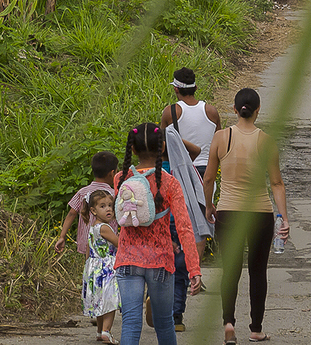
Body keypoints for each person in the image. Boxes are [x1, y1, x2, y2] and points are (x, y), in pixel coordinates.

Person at [202, 89, 289, 344]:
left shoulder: (221, 137)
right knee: (258, 271)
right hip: (260, 213)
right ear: (258, 110)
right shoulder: (266, 141)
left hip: (228, 211)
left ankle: (228, 323)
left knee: (230, 270)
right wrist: (283, 217)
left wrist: (208, 206)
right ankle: (256, 328)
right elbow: (277, 183)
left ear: (234, 108)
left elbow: (208, 178)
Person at [114, 123, 201, 345]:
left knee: (131, 323)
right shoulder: (170, 183)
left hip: (127, 260)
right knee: (164, 324)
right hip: (160, 262)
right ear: (162, 149)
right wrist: (194, 270)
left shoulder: (120, 180)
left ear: (132, 149)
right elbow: (184, 228)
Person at [161, 66, 222, 322]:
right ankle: (196, 274)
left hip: (181, 170)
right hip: (206, 173)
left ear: (176, 89)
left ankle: (183, 273)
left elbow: (163, 141)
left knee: (182, 223)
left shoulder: (170, 112)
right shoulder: (211, 111)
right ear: (195, 87)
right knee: (199, 222)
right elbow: (218, 137)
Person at [59, 151, 124, 263]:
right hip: (108, 242)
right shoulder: (114, 194)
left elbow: (71, 213)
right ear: (112, 173)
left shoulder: (83, 192)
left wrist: (62, 236)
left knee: (90, 267)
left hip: (87, 242)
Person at [83, 188, 123, 343]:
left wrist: (87, 268)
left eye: (110, 206)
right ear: (93, 210)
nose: (108, 209)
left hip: (94, 268)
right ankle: (107, 331)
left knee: (100, 301)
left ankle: (100, 331)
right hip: (106, 268)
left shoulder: (93, 227)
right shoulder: (105, 228)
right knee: (110, 301)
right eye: (102, 206)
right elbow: (119, 244)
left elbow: (88, 248)